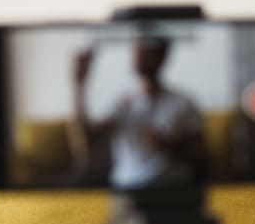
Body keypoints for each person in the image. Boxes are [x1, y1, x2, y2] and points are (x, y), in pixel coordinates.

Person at [69, 36, 207, 189]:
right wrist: (79, 85)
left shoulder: (184, 103)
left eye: (146, 48)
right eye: (136, 47)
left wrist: (168, 146)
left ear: (163, 56)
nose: (138, 53)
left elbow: (201, 158)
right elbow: (84, 145)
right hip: (128, 190)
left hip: (172, 189)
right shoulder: (123, 103)